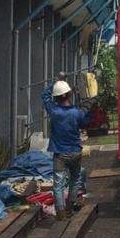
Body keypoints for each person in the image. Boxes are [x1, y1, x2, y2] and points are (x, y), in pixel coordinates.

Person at [41, 79, 93, 220]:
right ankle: (70, 207)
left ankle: (61, 213)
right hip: (75, 152)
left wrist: (55, 82)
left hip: (60, 154)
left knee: (58, 184)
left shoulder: (54, 111)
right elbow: (85, 122)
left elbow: (44, 96)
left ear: (56, 97)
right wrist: (89, 110)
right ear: (69, 94)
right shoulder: (76, 113)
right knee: (75, 180)